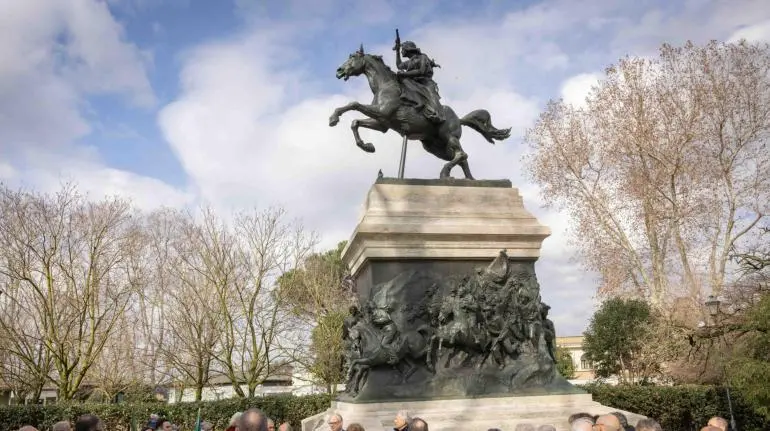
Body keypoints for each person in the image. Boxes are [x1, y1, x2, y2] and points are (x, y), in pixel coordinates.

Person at [395, 39, 444, 124]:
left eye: (402, 49)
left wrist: (404, 74)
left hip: (426, 83)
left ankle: (439, 115)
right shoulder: (410, 61)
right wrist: (397, 51)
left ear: (408, 49)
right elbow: (399, 65)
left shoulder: (422, 57)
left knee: (432, 96)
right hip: (414, 83)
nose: (402, 51)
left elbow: (421, 71)